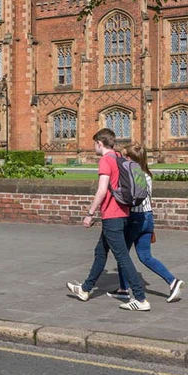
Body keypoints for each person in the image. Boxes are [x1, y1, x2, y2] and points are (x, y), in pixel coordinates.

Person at [66, 128, 150, 311]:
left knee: (122, 256)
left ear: (99, 143)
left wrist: (90, 214)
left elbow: (102, 190)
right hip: (124, 213)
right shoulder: (120, 157)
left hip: (112, 215)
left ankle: (141, 299)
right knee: (101, 252)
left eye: (94, 143)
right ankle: (85, 289)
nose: (94, 147)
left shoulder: (106, 160)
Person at [113, 144, 184, 303]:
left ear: (130, 159)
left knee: (122, 253)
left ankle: (124, 289)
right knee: (145, 256)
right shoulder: (147, 175)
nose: (123, 159)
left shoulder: (135, 175)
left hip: (136, 218)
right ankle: (172, 281)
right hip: (148, 217)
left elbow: (130, 197)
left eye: (125, 156)